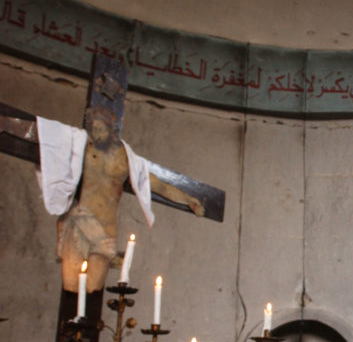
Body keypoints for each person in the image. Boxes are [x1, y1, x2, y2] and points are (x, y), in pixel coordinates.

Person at [1, 106, 204, 293]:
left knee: (91, 288)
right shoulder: (79, 145)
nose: (97, 134)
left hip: (106, 230)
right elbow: (43, 134)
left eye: (102, 129)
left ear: (112, 128)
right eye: (93, 129)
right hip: (79, 223)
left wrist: (188, 199)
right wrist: (5, 122)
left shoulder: (128, 160)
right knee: (71, 286)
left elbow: (159, 185)